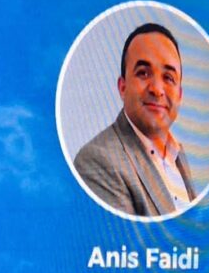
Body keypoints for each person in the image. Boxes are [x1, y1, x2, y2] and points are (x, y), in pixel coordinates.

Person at [73, 22, 196, 217]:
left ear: (179, 95)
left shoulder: (178, 155)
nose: (157, 89)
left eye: (168, 77)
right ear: (123, 88)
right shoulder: (97, 161)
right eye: (143, 73)